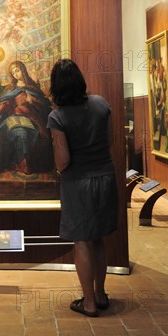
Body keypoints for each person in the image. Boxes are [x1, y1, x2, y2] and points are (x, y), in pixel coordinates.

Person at [47, 59, 118, 317]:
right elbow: (109, 140)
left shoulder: (58, 116)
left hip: (78, 183)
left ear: (56, 86)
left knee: (82, 241)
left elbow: (63, 160)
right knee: (98, 238)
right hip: (106, 178)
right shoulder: (101, 104)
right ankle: (100, 294)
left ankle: (88, 303)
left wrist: (58, 171)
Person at [0, 60, 53, 174]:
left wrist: (32, 101)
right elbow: (5, 103)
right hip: (14, 118)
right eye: (13, 72)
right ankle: (22, 165)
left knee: (35, 133)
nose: (15, 74)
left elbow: (44, 105)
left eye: (17, 70)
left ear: (23, 69)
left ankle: (31, 164)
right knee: (22, 133)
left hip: (33, 119)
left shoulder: (32, 87)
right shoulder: (11, 89)